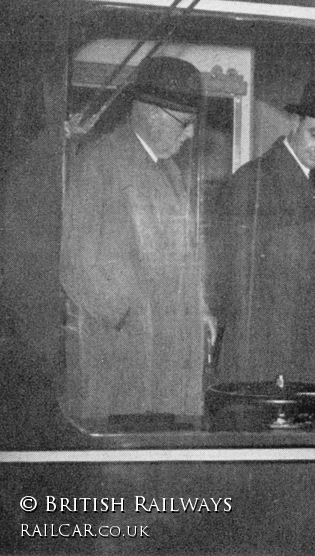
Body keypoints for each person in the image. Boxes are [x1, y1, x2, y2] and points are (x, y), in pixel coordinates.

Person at [60, 56, 213, 423]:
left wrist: (199, 304)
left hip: (169, 350)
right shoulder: (99, 162)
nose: (191, 134)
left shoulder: (170, 169)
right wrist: (135, 313)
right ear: (153, 114)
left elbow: (186, 250)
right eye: (186, 124)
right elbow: (75, 264)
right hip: (124, 357)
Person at [216, 80, 315, 386]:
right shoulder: (254, 179)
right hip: (265, 359)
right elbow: (232, 283)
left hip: (310, 354)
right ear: (295, 124)